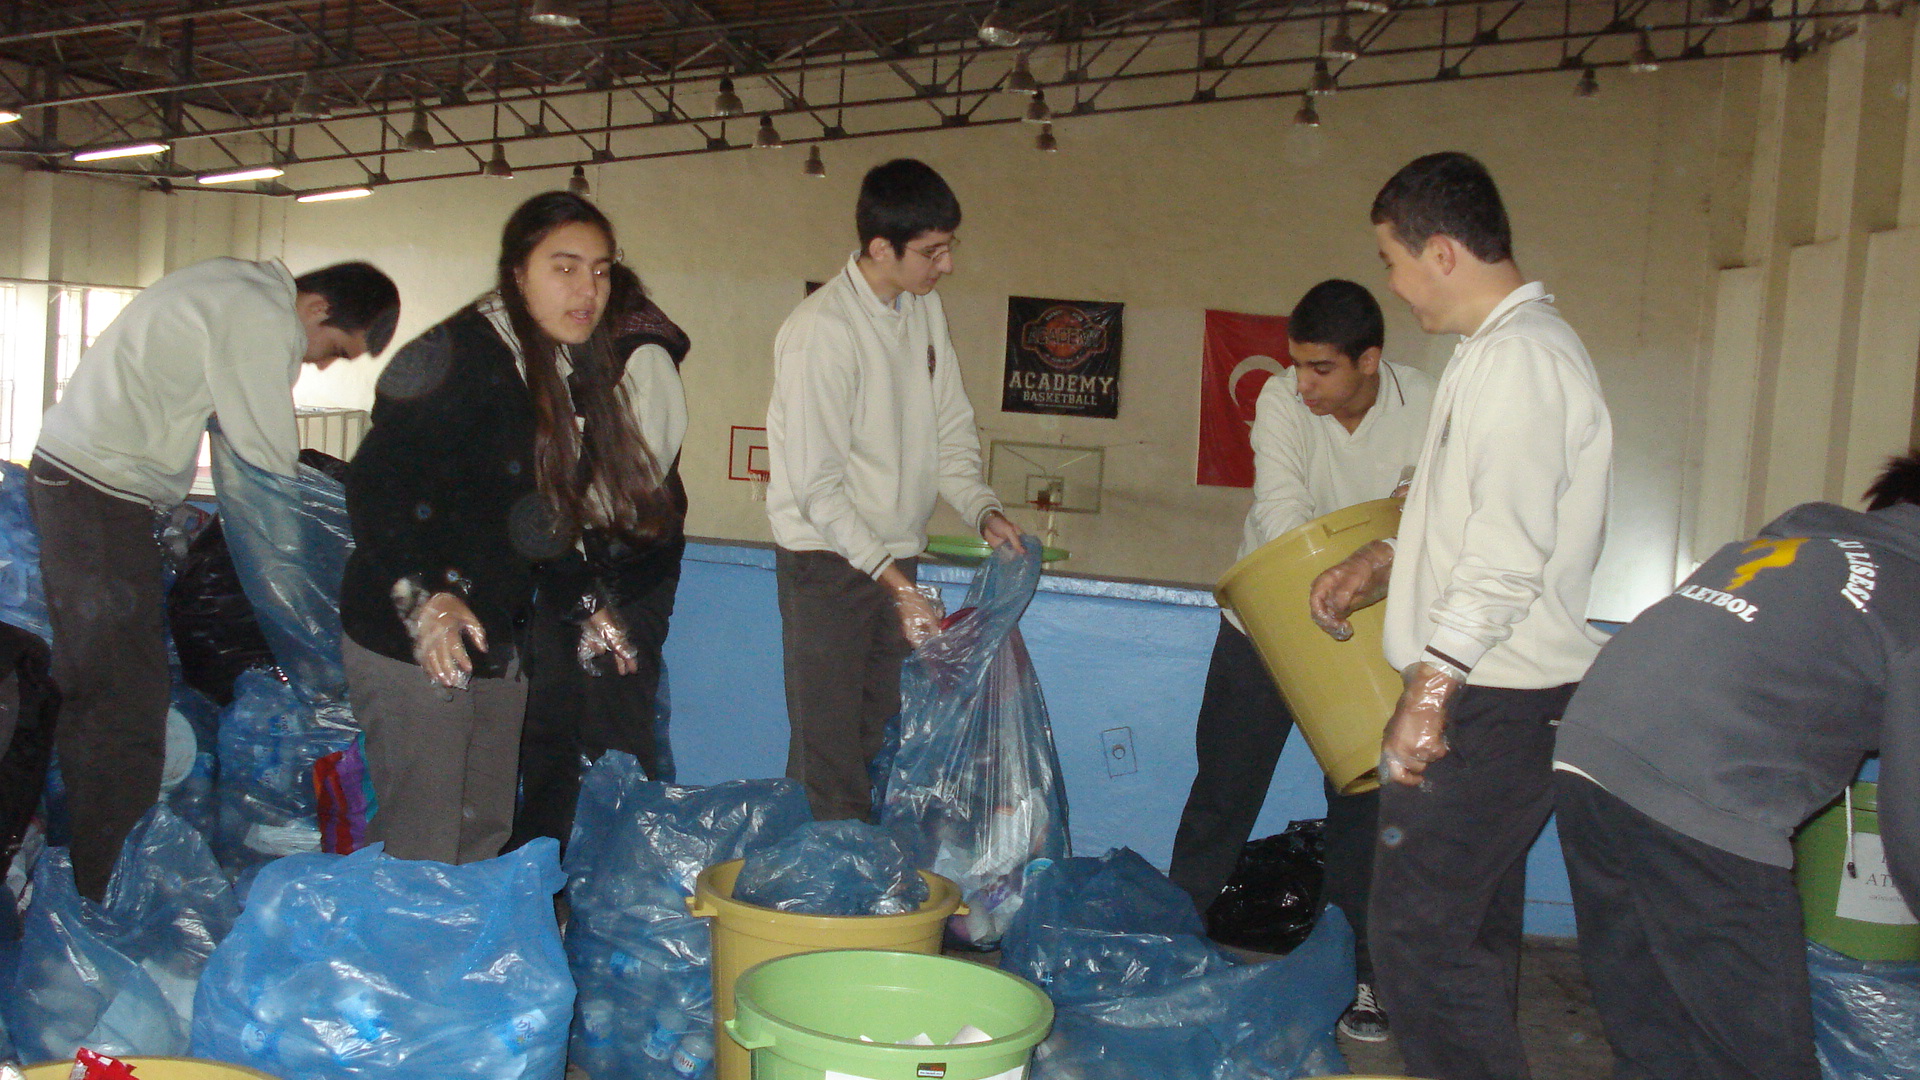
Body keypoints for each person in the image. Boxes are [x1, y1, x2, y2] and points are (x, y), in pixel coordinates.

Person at [1309, 150, 1613, 1080]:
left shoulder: (1522, 361)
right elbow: (1474, 519)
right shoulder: (1493, 355)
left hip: (1491, 698)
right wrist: (1386, 560)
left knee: (1421, 949)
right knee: (1466, 944)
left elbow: (1508, 551)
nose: (1394, 287)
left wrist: (1431, 689)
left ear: (1442, 252)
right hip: (1499, 693)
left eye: (1395, 261)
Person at [28, 256, 398, 901]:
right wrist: (311, 565)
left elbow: (232, 430)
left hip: (98, 492)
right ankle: (101, 889)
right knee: (122, 703)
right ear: (315, 309)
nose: (317, 366)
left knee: (118, 691)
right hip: (96, 495)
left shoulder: (234, 288)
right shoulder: (260, 314)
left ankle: (93, 866)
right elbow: (267, 455)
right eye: (332, 351)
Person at [1552, 452, 1920, 1080]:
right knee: (1759, 1058)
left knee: (1655, 1038)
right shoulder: (1911, 595)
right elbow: (1911, 813)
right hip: (1706, 794)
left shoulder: (1798, 543)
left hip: (1587, 754)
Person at [341, 191, 675, 865]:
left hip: (492, 635)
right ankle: (412, 969)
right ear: (516, 273)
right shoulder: (457, 357)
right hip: (414, 636)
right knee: (426, 843)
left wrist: (586, 605)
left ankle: (467, 967)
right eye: (566, 267)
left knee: (484, 833)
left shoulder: (548, 364)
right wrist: (425, 596)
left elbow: (535, 517)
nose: (589, 289)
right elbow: (374, 486)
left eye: (602, 270)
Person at [1167, 278, 1433, 1043]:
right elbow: (1282, 515)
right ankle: (1176, 948)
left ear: (1371, 361)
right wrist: (1343, 568)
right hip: (1266, 627)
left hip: (1374, 628)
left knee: (1365, 805)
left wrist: (1370, 562)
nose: (1302, 383)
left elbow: (1429, 505)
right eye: (1296, 365)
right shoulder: (1283, 402)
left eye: (1322, 369)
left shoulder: (1428, 402)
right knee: (1222, 792)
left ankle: (1359, 979)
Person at [766, 158, 1022, 821]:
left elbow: (950, 423)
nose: (948, 266)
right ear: (881, 248)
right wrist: (895, 583)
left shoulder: (923, 309)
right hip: (829, 566)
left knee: (878, 743)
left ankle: (859, 890)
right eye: (933, 251)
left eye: (949, 247)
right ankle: (819, 908)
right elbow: (818, 491)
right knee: (829, 756)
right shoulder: (821, 333)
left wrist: (981, 506)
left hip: (893, 565)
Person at [510, 263, 692, 852]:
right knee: (551, 728)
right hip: (571, 565)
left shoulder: (643, 358)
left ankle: (611, 874)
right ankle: (549, 869)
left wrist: (560, 514)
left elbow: (636, 479)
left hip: (625, 571)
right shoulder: (573, 360)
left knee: (612, 728)